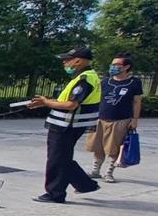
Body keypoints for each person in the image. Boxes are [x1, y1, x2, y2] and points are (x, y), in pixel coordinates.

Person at [29, 47, 101, 203]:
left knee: (57, 159)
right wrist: (47, 102)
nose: (65, 63)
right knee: (63, 158)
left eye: (67, 60)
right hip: (68, 124)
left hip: (67, 125)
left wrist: (46, 102)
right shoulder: (86, 76)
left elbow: (71, 105)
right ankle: (85, 184)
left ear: (78, 60)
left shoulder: (85, 79)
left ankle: (55, 193)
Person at [86, 52, 142, 183]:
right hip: (101, 118)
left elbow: (137, 102)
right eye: (112, 64)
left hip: (120, 120)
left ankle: (109, 172)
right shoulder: (106, 81)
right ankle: (95, 170)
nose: (113, 67)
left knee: (113, 147)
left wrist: (135, 119)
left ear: (126, 67)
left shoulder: (134, 83)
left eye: (117, 65)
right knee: (97, 146)